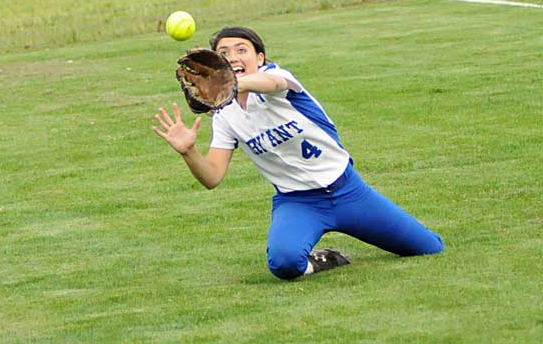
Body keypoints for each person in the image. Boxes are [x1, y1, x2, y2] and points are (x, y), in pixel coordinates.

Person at [153, 26, 444, 280]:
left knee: (429, 248)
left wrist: (232, 83)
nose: (232, 56)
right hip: (298, 202)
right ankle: (323, 260)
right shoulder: (225, 116)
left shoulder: (276, 78)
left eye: (242, 49)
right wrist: (189, 151)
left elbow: (274, 83)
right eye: (224, 52)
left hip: (349, 192)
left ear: (260, 59)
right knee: (284, 264)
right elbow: (212, 176)